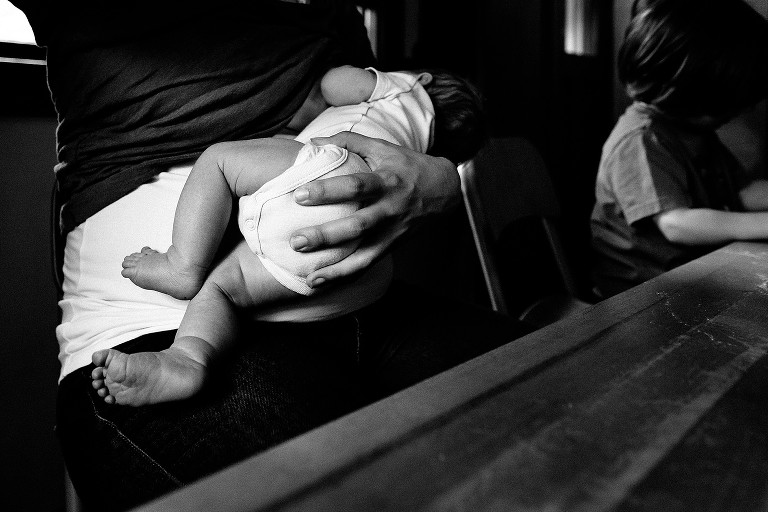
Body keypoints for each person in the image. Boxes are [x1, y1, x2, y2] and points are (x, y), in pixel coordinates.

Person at [12, 1, 529, 510]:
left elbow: (356, 133)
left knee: (570, 406)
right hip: (151, 323)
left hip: (362, 298)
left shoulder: (342, 25)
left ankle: (187, 304)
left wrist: (435, 177)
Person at [91, 64, 487, 406]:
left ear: (426, 79)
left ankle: (182, 264)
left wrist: (359, 77)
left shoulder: (401, 87)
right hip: (357, 253)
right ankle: (189, 359)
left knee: (220, 161)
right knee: (225, 290)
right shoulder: (419, 154)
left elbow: (333, 84)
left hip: (333, 165)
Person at [590, 0, 768, 298]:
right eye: (730, 101)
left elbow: (739, 191)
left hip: (692, 276)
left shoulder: (694, 130)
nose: (742, 110)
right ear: (683, 86)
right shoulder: (639, 139)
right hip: (639, 296)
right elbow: (676, 223)